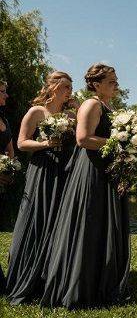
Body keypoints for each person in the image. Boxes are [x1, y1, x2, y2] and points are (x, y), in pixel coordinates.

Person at [41, 64, 129, 309]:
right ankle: (84, 284)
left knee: (102, 224)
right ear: (96, 84)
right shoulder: (92, 104)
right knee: (90, 223)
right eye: (111, 81)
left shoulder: (109, 106)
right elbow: (82, 138)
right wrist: (118, 143)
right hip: (91, 172)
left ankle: (104, 278)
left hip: (105, 171)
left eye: (116, 79)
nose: (116, 84)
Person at [5, 72, 76, 304]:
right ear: (54, 87)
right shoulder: (36, 112)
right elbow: (21, 143)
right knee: (38, 218)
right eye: (66, 86)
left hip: (64, 170)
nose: (69, 91)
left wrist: (76, 110)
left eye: (71, 87)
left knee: (59, 221)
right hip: (42, 170)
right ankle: (26, 276)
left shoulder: (69, 114)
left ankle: (53, 277)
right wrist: (45, 143)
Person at [0, 79, 14, 294]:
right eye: (2, 91)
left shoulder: (4, 119)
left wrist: (7, 167)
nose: (6, 95)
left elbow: (10, 149)